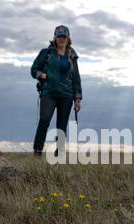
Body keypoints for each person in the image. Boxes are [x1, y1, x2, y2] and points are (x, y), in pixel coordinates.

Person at [30, 25, 82, 157]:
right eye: (59, 36)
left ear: (68, 38)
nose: (61, 39)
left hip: (66, 95)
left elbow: (76, 78)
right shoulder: (46, 53)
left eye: (64, 36)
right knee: (44, 120)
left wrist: (77, 99)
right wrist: (42, 75)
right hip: (49, 93)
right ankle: (37, 153)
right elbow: (33, 70)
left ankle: (59, 155)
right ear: (54, 37)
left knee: (62, 126)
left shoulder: (72, 56)